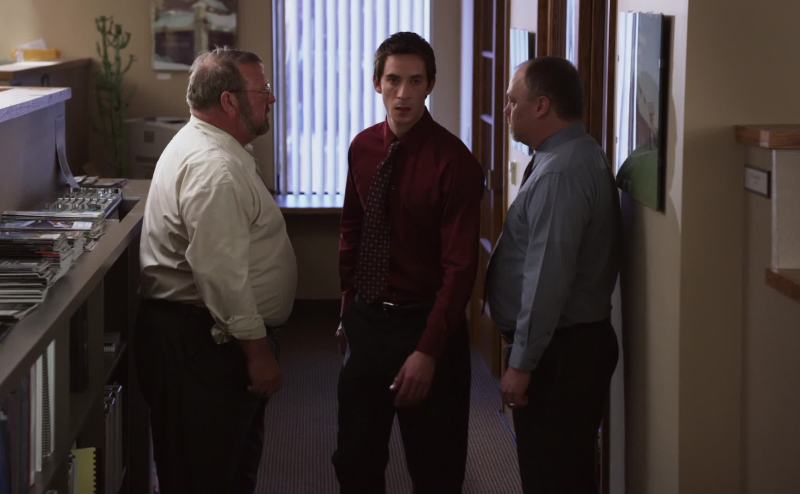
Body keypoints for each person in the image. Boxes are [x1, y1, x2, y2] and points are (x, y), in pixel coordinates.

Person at [135, 47, 297, 494]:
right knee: (206, 476)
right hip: (203, 348)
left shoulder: (210, 147)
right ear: (229, 101)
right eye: (262, 90)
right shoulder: (214, 168)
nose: (271, 98)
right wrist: (258, 354)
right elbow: (221, 277)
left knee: (222, 469)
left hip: (203, 341)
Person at [332, 32, 483, 493]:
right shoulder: (362, 148)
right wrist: (348, 308)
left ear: (430, 85)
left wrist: (428, 350)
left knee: (436, 469)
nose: (403, 93)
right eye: (394, 80)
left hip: (428, 324)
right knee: (355, 460)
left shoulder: (454, 161)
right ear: (377, 83)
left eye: (415, 81)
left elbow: (460, 269)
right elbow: (352, 230)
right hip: (368, 321)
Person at [485, 57, 621, 493]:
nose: (507, 109)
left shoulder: (560, 173)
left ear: (542, 106)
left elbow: (547, 279)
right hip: (569, 347)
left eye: (513, 101)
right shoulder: (571, 154)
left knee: (552, 477)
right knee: (567, 472)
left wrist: (521, 364)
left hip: (561, 356)